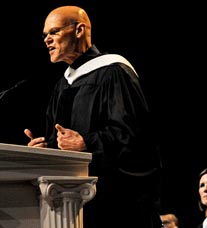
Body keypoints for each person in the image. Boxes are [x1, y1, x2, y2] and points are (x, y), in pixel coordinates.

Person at [23, 5, 162, 228]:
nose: (46, 40)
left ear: (79, 30)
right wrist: (45, 149)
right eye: (45, 35)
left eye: (54, 32)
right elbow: (61, 142)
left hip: (117, 206)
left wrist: (86, 143)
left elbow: (134, 138)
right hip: (73, 204)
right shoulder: (62, 85)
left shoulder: (114, 72)